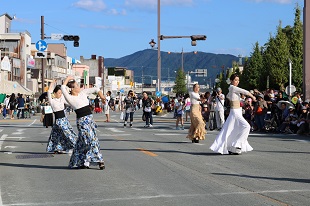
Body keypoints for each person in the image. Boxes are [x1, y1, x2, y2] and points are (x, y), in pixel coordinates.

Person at [61, 76, 106, 170]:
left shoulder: (83, 93)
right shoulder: (69, 98)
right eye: (77, 85)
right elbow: (63, 88)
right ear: (72, 88)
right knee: (90, 140)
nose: (79, 87)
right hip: (82, 121)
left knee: (83, 142)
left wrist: (102, 97)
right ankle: (100, 160)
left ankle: (83, 161)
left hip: (90, 119)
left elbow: (96, 89)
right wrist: (68, 79)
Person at [210, 74, 256, 155]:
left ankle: (232, 147)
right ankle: (237, 144)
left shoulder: (232, 89)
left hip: (237, 110)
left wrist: (240, 101)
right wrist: (252, 96)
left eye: (238, 80)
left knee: (233, 129)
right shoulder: (232, 87)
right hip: (235, 111)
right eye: (235, 80)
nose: (237, 82)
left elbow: (229, 96)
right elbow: (244, 91)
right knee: (247, 126)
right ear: (231, 81)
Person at [46, 80, 77, 154]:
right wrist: (52, 83)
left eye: (61, 93)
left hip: (64, 119)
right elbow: (49, 91)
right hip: (58, 120)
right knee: (57, 135)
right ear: (55, 93)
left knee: (65, 133)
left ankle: (71, 146)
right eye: (59, 93)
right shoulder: (52, 100)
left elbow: (69, 102)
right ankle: (58, 148)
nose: (60, 94)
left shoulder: (62, 98)